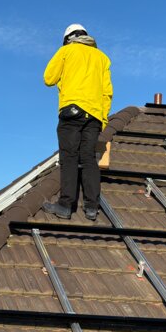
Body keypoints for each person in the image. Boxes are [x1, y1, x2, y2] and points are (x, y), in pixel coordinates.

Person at [42, 23, 113, 222]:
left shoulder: (67, 50)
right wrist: (103, 118)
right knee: (89, 158)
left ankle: (65, 205)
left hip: (72, 110)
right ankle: (91, 208)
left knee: (69, 157)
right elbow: (107, 92)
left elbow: (48, 78)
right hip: (95, 115)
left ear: (68, 38)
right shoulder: (102, 58)